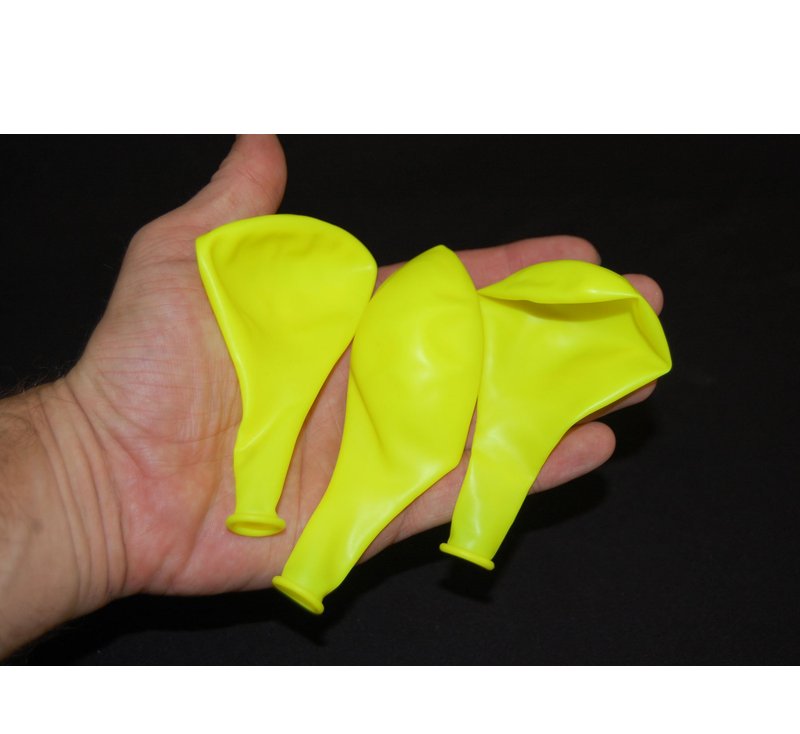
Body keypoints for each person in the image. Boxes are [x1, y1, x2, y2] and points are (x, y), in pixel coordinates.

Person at [0, 135, 664, 658]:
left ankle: (347, 554)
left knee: (419, 456)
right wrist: (87, 474)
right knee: (407, 456)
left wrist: (82, 482)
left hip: (416, 320)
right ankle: (324, 553)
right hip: (409, 320)